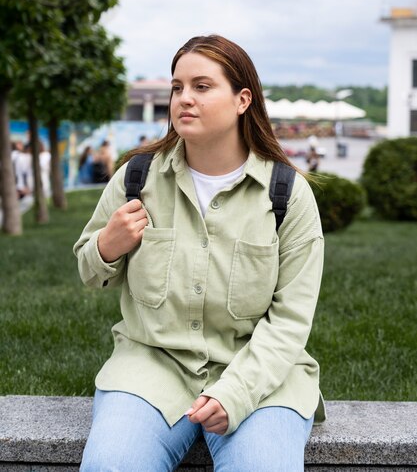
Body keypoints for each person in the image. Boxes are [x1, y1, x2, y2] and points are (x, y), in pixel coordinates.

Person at [74, 35, 325, 472]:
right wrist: (105, 247)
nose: (183, 99)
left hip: (261, 378)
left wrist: (236, 393)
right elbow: (89, 272)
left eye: (201, 86)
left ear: (242, 99)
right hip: (149, 369)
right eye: (177, 87)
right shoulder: (136, 178)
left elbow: (290, 322)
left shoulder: (288, 195)